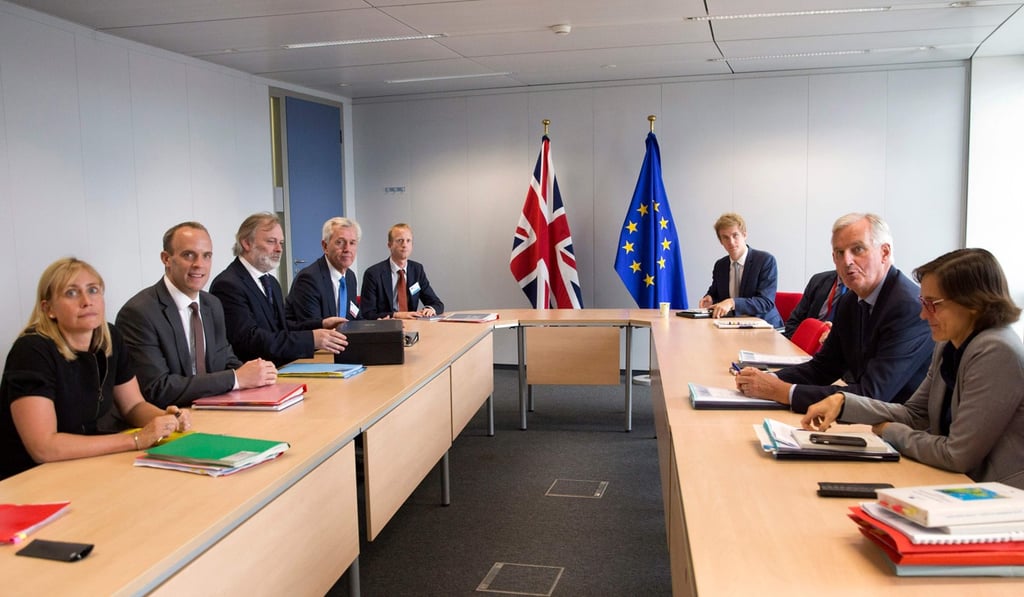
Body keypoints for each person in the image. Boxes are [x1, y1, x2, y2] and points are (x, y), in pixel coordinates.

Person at [802, 248, 1024, 488]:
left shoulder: (996, 351)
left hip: (998, 496)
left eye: (932, 304)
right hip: (958, 482)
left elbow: (956, 454)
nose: (922, 315)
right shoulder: (950, 342)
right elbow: (915, 414)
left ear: (974, 303)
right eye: (923, 302)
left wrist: (890, 431)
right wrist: (844, 402)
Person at [1, 258, 191, 480]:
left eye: (93, 290)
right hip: (27, 477)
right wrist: (136, 439)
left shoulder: (109, 337)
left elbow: (133, 406)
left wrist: (167, 419)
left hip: (84, 463)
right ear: (48, 309)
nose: (86, 301)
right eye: (71, 293)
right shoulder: (32, 351)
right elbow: (44, 447)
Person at [735, 213, 933, 413]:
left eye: (858, 249)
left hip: (900, 428)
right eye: (839, 252)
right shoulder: (850, 300)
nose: (847, 261)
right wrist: (769, 379)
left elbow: (873, 394)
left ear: (884, 252)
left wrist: (782, 391)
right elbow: (823, 368)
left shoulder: (908, 307)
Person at [116, 222, 278, 408]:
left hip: (216, 409)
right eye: (188, 255)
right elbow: (157, 389)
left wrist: (257, 374)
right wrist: (236, 378)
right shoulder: (139, 313)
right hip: (171, 418)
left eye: (206, 256)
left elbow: (225, 359)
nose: (199, 264)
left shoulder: (212, 304)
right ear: (166, 259)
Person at [210, 213, 348, 366]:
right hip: (252, 376)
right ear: (246, 243)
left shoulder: (271, 282)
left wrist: (320, 325)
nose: (279, 249)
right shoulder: (228, 285)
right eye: (271, 242)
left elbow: (280, 329)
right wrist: (312, 339)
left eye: (281, 243)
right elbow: (250, 340)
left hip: (279, 368)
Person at [698, 213, 783, 328]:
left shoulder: (765, 260)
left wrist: (732, 302)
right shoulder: (720, 265)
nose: (731, 242)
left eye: (735, 235)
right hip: (732, 325)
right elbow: (715, 293)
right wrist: (710, 299)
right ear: (721, 241)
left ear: (744, 235)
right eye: (725, 237)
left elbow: (765, 302)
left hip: (765, 327)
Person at [286, 217, 361, 325]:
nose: (347, 249)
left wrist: (378, 324)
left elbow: (354, 316)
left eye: (352, 243)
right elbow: (311, 327)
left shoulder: (350, 277)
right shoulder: (309, 279)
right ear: (325, 246)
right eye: (340, 242)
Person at [360, 223, 444, 320]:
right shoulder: (373, 273)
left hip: (413, 325)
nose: (404, 245)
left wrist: (430, 309)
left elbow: (437, 304)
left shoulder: (417, 270)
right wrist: (396, 315)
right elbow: (367, 313)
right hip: (386, 327)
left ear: (412, 245)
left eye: (408, 241)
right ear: (389, 245)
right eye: (400, 240)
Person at [783, 269, 842, 339]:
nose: (847, 262)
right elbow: (794, 321)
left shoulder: (857, 295)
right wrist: (801, 342)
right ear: (834, 259)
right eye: (841, 257)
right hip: (806, 341)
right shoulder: (818, 280)